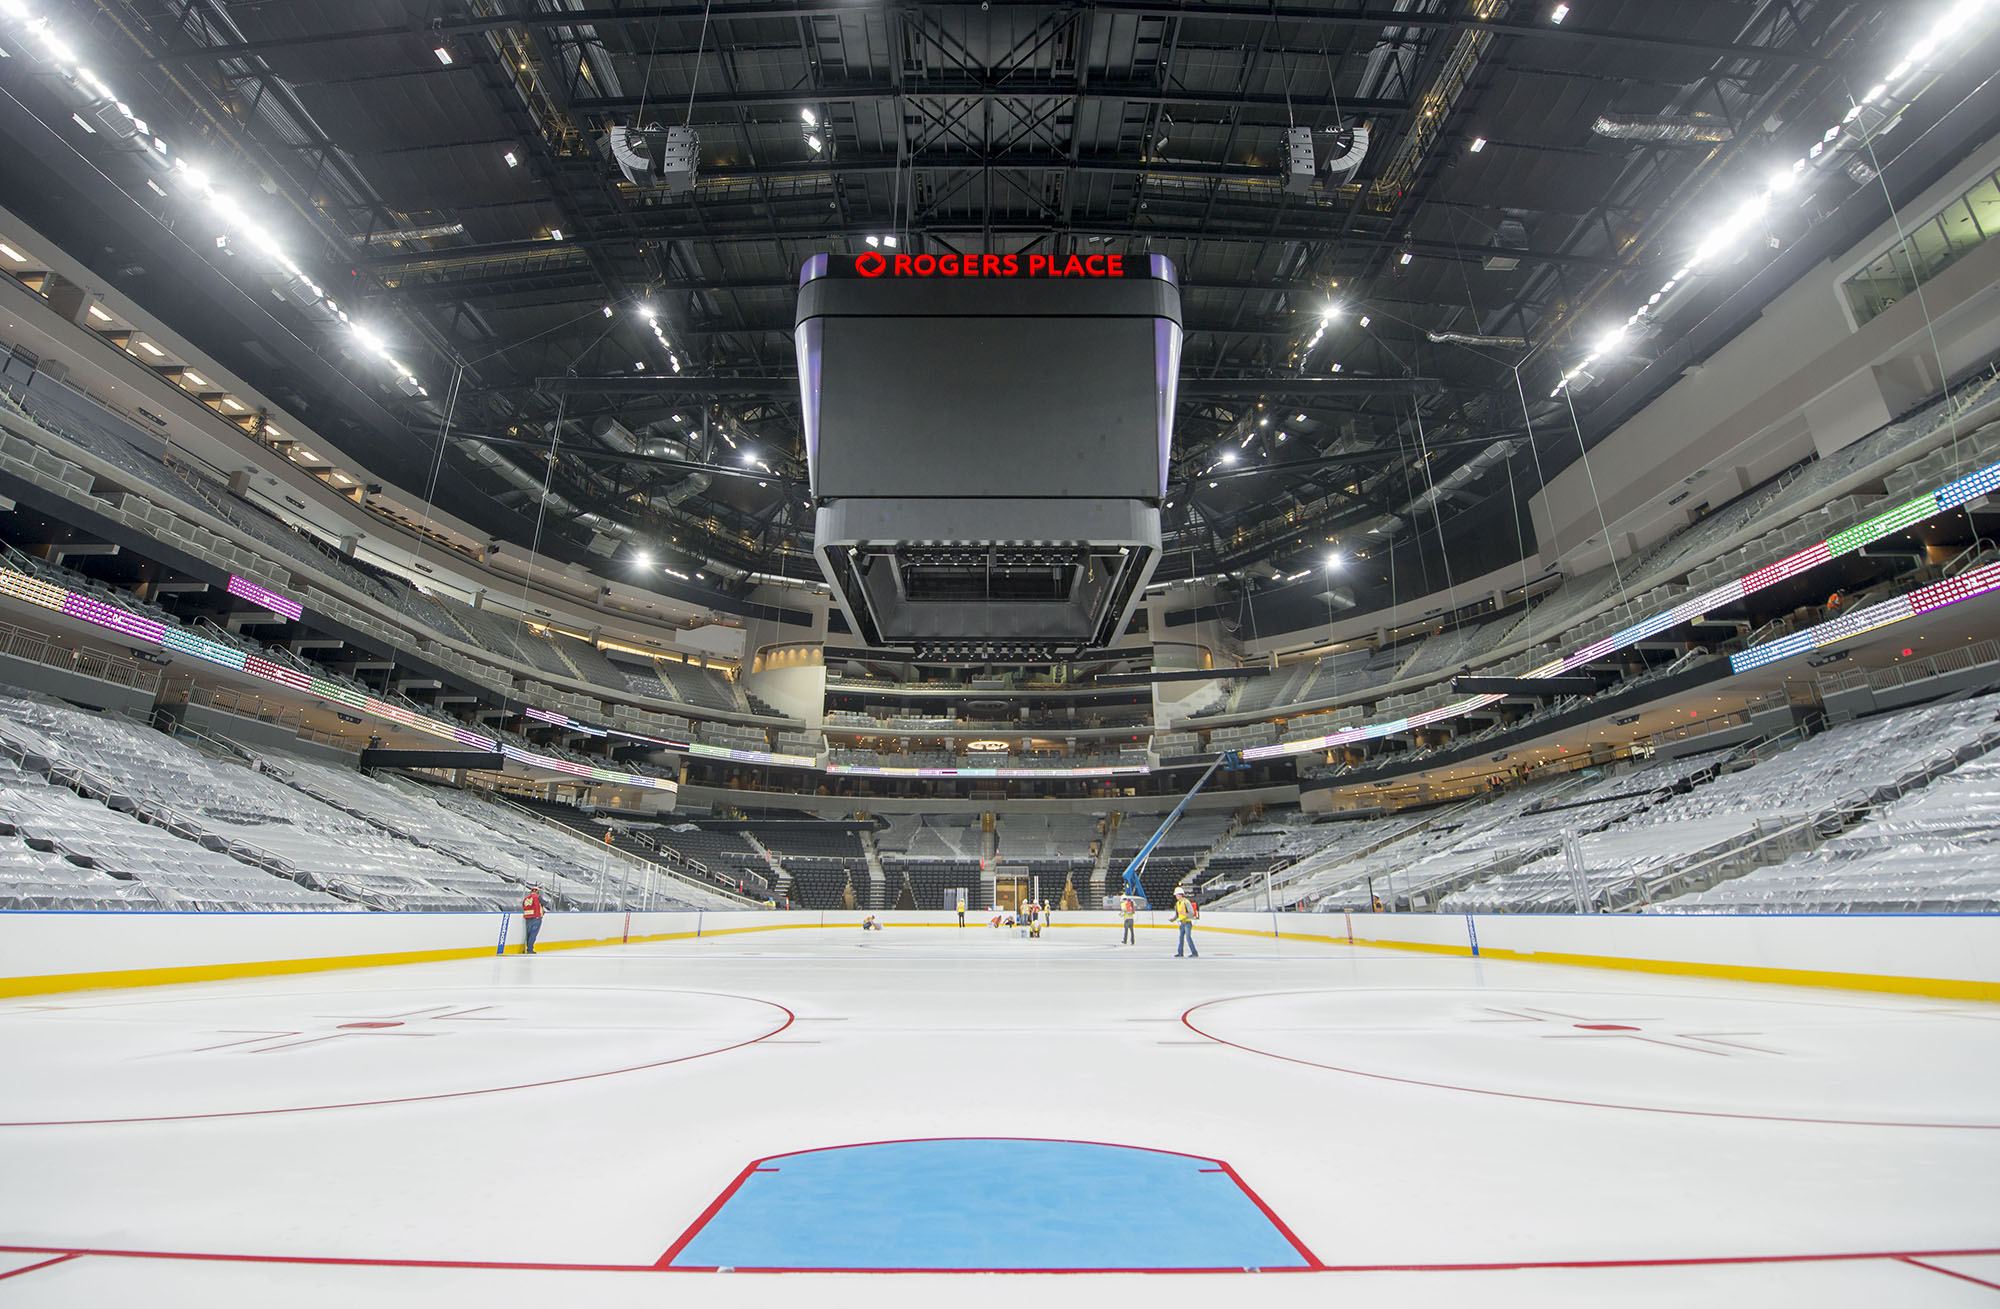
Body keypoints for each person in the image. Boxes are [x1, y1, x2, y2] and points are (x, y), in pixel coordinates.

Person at [1172, 887, 1199, 958]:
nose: (1176, 896)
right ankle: (1180, 953)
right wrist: (1174, 919)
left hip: (1187, 923)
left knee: (1188, 938)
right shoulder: (1177, 904)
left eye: (1177, 895)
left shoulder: (1186, 902)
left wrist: (1185, 917)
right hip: (1182, 923)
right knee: (1181, 938)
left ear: (1180, 895)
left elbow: (1191, 913)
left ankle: (1194, 953)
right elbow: (1177, 914)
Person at [520, 885, 546, 955]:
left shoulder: (525, 899)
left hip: (528, 918)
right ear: (537, 892)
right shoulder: (537, 897)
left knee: (528, 934)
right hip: (536, 917)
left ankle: (528, 948)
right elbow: (546, 903)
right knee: (533, 934)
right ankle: (530, 949)